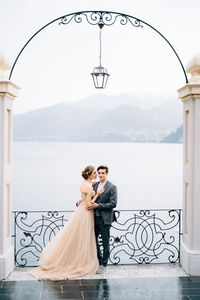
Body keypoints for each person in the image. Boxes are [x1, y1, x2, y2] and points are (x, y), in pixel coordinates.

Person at [30, 165, 104, 280]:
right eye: (94, 172)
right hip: (86, 213)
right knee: (84, 237)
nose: (96, 174)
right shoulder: (89, 188)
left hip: (81, 211)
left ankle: (77, 259)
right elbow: (89, 205)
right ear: (89, 174)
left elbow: (84, 200)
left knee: (78, 237)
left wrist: (89, 195)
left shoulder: (85, 184)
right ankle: (81, 262)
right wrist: (97, 195)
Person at [88, 165, 117, 274]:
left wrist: (98, 206)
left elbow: (113, 203)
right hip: (94, 218)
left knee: (105, 243)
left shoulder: (112, 187)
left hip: (105, 219)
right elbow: (90, 198)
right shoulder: (94, 185)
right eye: (99, 173)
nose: (100, 175)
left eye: (102, 173)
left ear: (107, 174)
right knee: (93, 241)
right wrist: (80, 202)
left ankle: (103, 264)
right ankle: (98, 260)